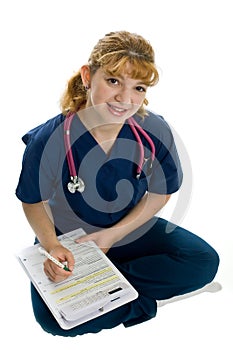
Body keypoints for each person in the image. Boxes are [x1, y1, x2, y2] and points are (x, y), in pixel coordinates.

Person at [16, 31, 219, 337]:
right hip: (71, 240)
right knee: (52, 321)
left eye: (138, 88)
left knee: (203, 261)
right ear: (88, 76)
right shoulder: (50, 140)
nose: (125, 99)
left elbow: (162, 191)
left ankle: (106, 290)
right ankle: (140, 301)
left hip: (130, 228)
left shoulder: (154, 130)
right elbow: (32, 200)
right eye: (113, 81)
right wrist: (52, 246)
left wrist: (114, 234)